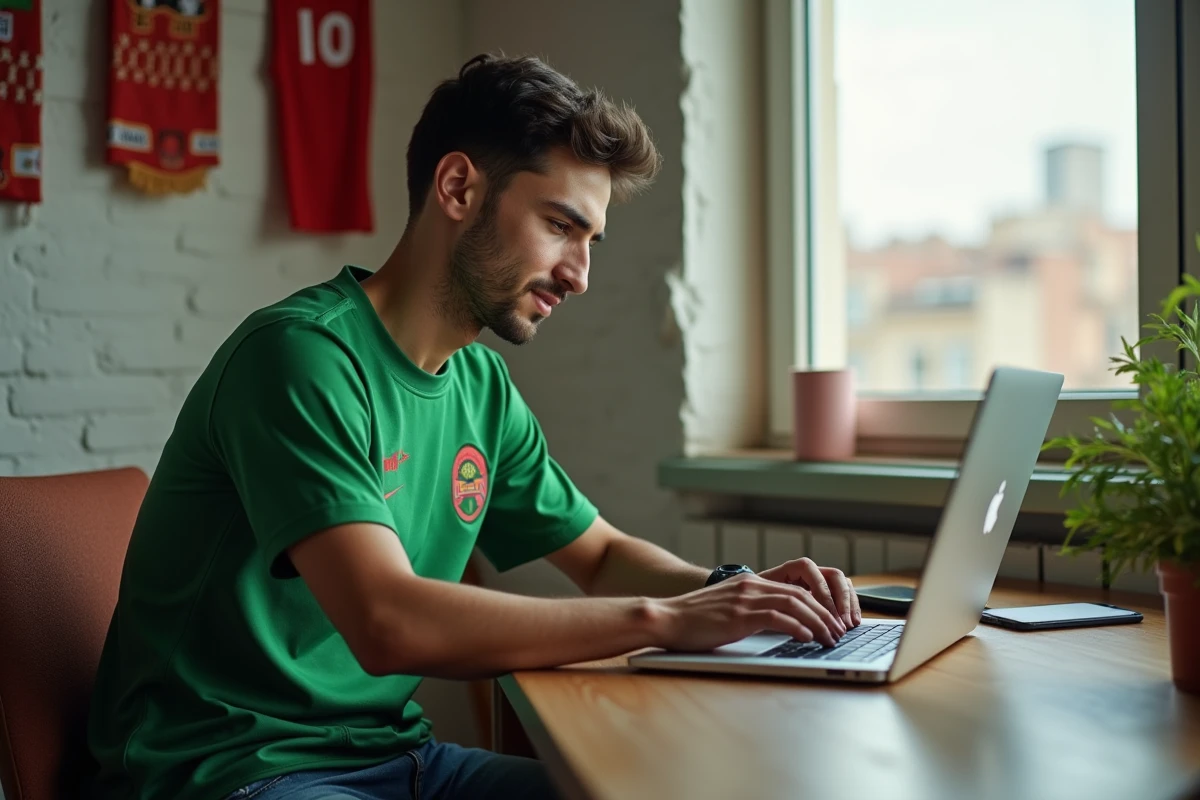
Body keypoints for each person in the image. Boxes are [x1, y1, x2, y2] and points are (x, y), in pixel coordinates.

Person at [85, 53, 862, 800]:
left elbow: (600, 556)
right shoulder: (300, 357)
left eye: (590, 241)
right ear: (458, 187)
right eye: (561, 225)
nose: (580, 274)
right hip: (227, 768)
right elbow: (387, 621)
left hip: (400, 761)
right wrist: (665, 620)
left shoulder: (481, 389)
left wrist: (738, 594)